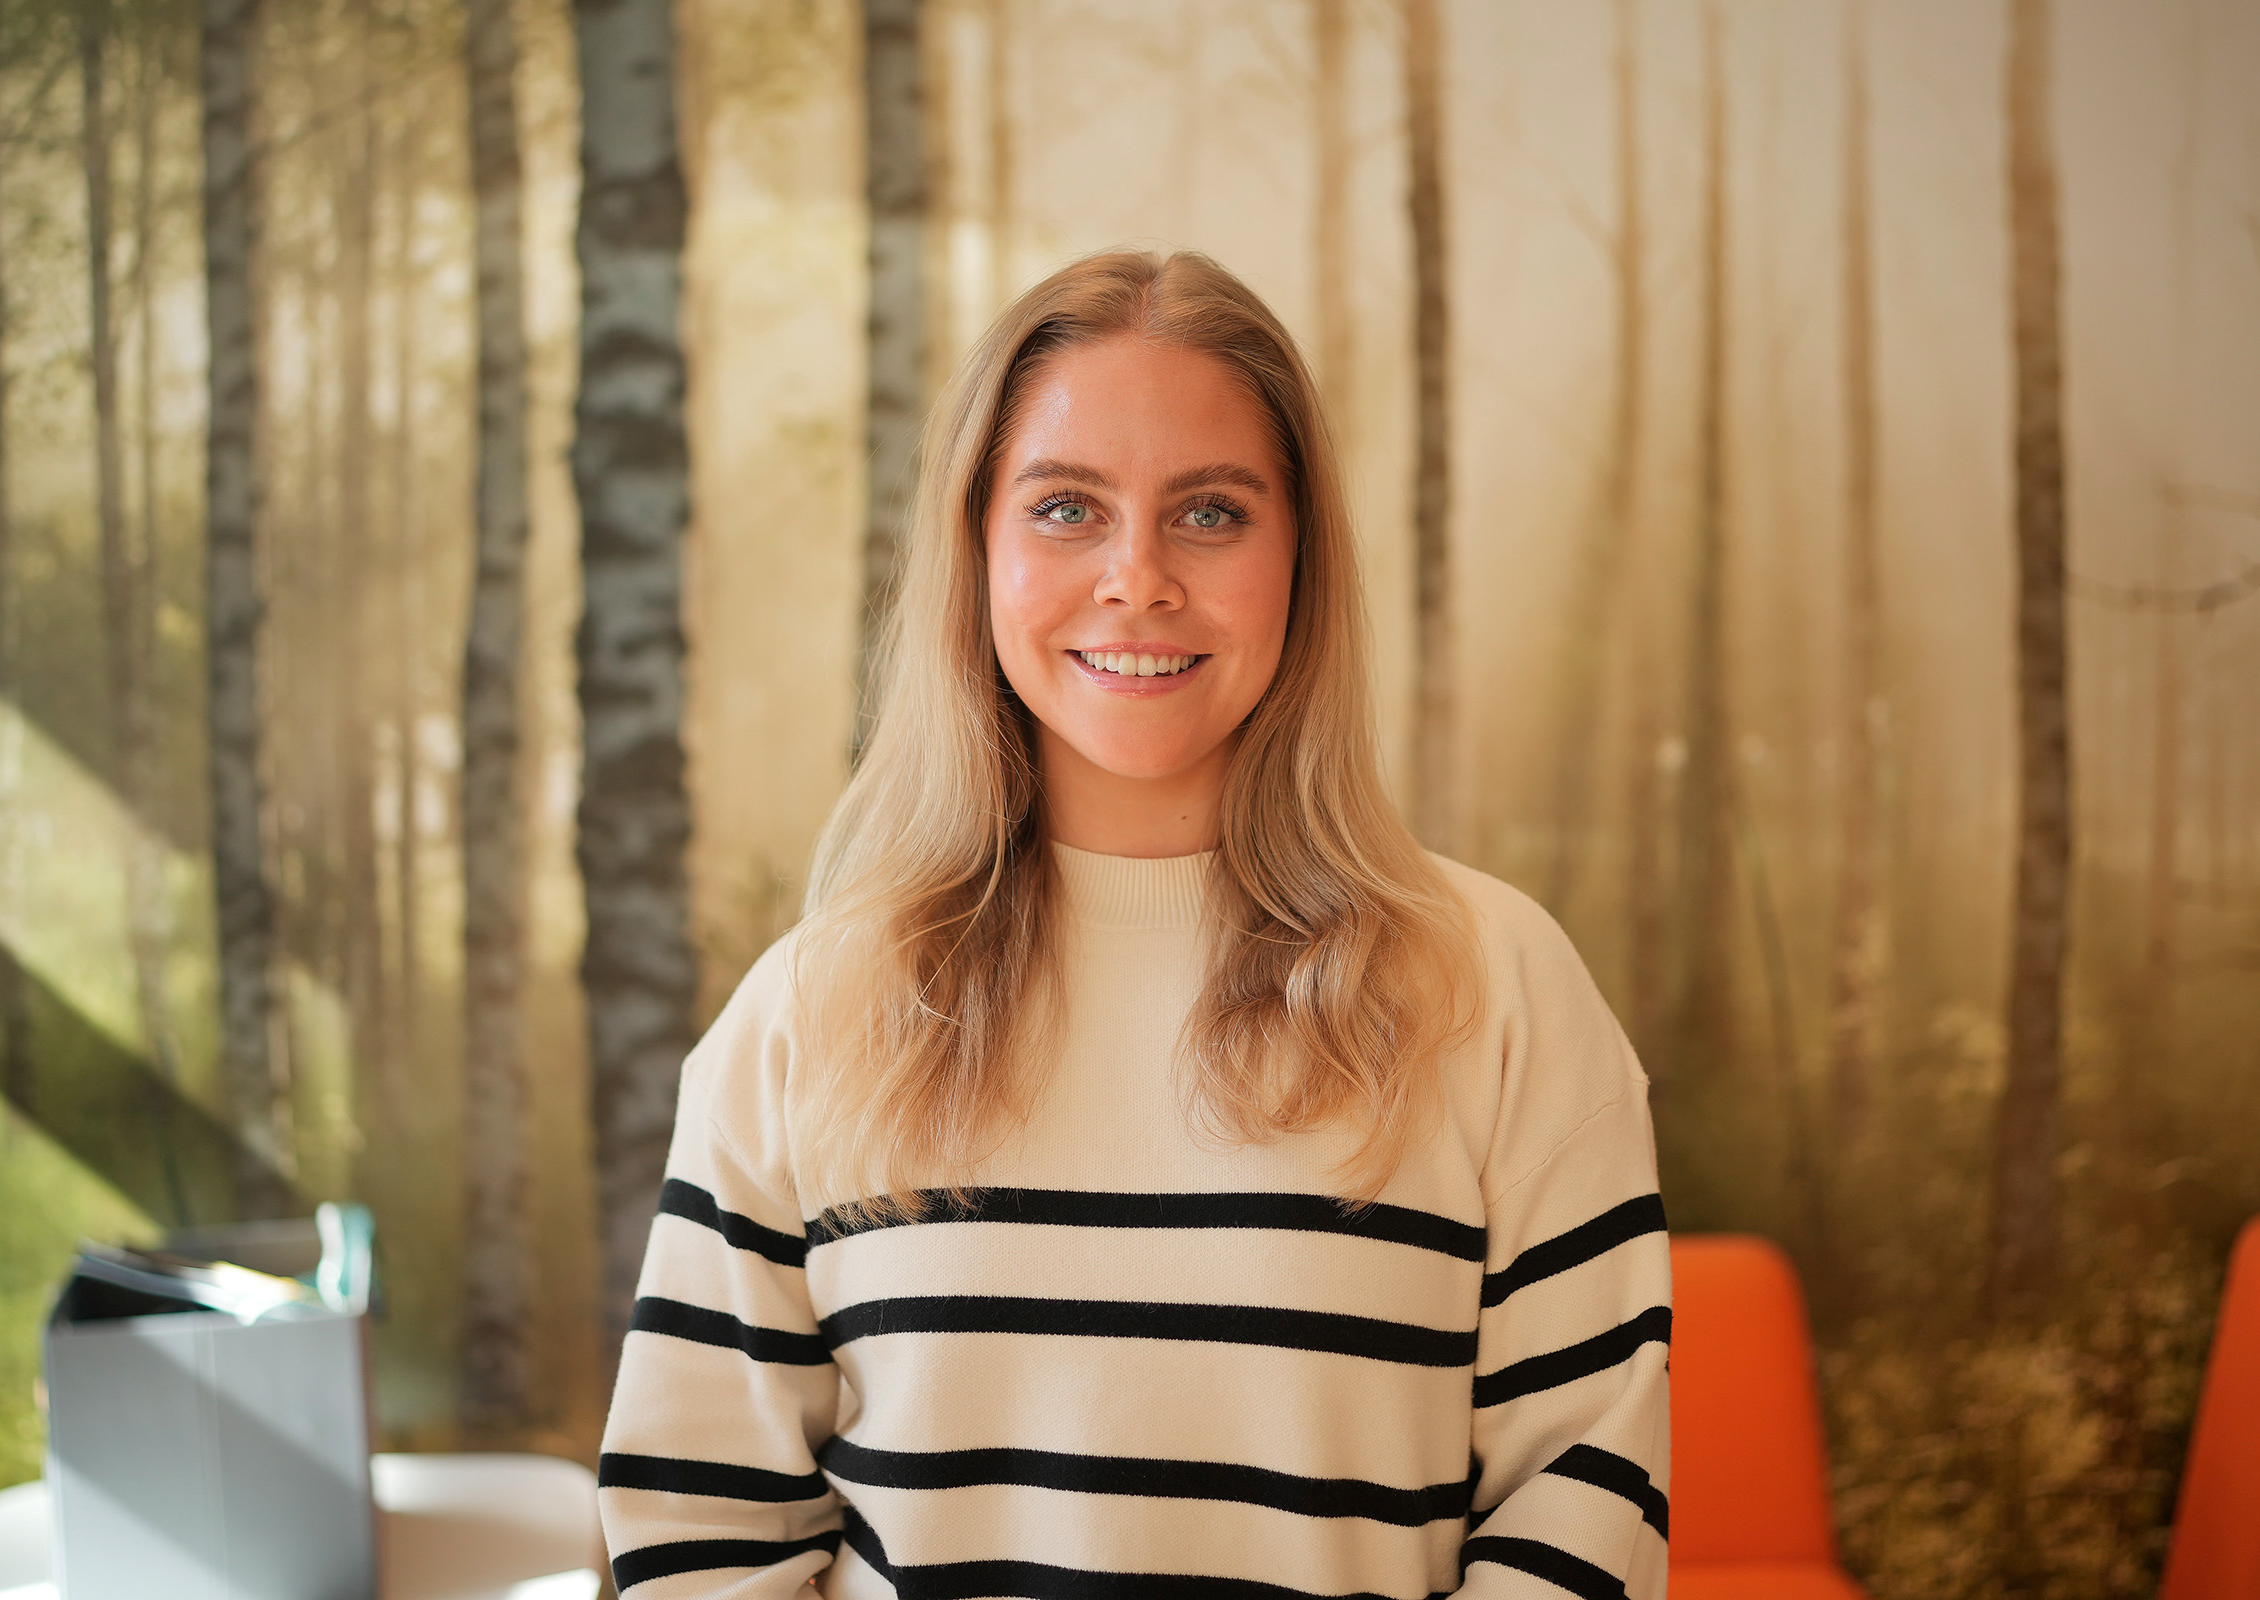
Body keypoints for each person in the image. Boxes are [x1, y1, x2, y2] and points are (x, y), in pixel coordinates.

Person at [596, 250, 1670, 1600]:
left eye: (1211, 512)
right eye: (1065, 508)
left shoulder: (1498, 988)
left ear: (1301, 558)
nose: (1137, 577)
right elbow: (702, 1534)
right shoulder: (806, 1014)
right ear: (976, 549)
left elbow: (1584, 1505)